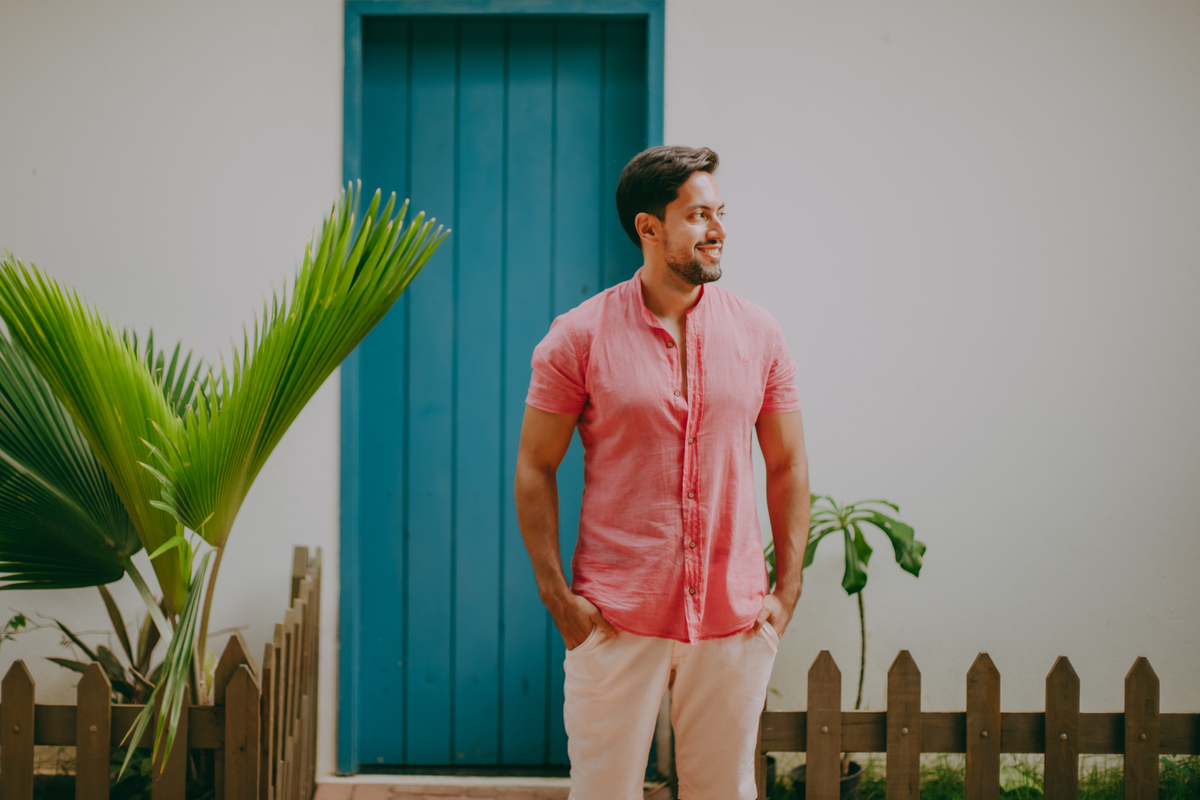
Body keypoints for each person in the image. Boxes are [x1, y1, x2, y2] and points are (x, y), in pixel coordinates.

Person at [514, 145, 810, 800]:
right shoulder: (579, 336)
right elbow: (535, 466)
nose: (718, 230)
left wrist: (786, 591)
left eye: (720, 213)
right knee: (603, 793)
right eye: (699, 215)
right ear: (650, 227)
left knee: (723, 792)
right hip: (615, 614)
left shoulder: (760, 334)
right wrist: (557, 597)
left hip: (734, 616)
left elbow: (787, 463)